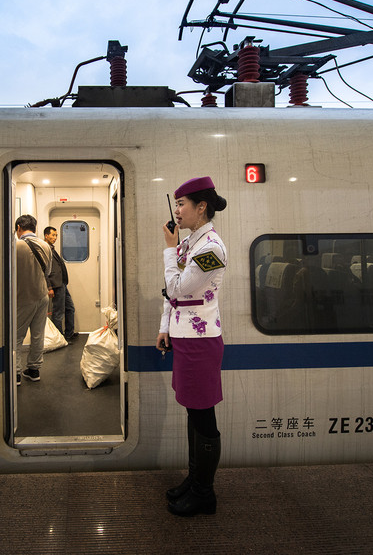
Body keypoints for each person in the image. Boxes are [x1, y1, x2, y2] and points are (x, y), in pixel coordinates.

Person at [156, 176, 228, 517]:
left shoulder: (211, 247)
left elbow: (179, 289)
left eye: (181, 204)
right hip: (185, 336)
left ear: (201, 207)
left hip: (201, 342)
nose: (177, 211)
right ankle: (194, 478)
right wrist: (164, 327)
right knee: (192, 409)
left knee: (203, 417)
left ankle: (204, 493)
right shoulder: (189, 244)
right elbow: (170, 294)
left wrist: (169, 250)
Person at [14, 215, 51, 383]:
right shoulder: (45, 245)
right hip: (42, 295)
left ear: (19, 228)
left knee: (16, 336)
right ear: (35, 228)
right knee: (38, 335)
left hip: (23, 296)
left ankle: (15, 373)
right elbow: (48, 271)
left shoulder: (16, 246)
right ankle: (34, 370)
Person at [43, 227, 77, 341]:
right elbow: (44, 270)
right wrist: (49, 287)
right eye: (53, 235)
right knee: (58, 313)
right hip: (55, 285)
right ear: (46, 236)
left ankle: (69, 333)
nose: (55, 238)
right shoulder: (45, 249)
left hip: (62, 284)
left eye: (56, 235)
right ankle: (58, 338)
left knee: (70, 308)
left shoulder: (52, 249)